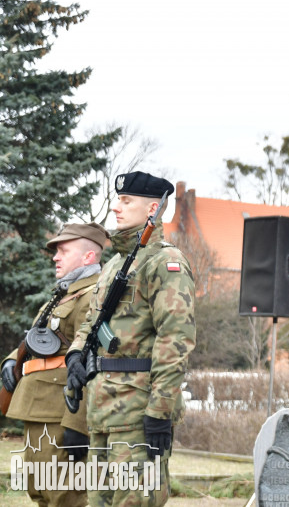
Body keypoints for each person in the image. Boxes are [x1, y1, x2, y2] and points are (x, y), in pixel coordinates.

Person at [65, 172, 195, 507]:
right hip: (102, 411)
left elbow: (176, 339)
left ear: (153, 208)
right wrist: (76, 355)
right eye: (118, 199)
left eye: (127, 201)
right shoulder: (113, 266)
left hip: (138, 413)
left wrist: (160, 409)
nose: (117, 207)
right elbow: (92, 321)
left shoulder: (165, 262)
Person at [2, 222, 108, 507]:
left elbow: (91, 363)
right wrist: (11, 361)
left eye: (63, 250)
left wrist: (79, 424)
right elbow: (37, 338)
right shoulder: (63, 294)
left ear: (88, 257)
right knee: (41, 493)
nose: (55, 257)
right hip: (38, 409)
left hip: (63, 414)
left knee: (65, 497)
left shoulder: (94, 296)